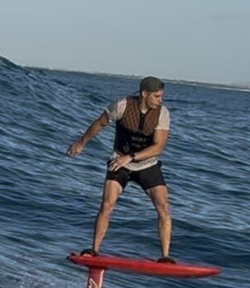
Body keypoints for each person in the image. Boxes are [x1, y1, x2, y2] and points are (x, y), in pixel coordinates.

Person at [66, 76, 174, 263]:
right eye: (156, 96)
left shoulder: (162, 113)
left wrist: (131, 157)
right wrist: (81, 142)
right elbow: (100, 123)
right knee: (107, 204)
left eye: (161, 96)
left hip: (147, 164)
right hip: (119, 161)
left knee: (163, 206)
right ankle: (94, 250)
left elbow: (158, 147)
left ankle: (165, 257)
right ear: (144, 93)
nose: (160, 100)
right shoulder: (122, 105)